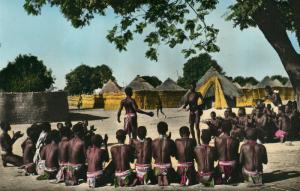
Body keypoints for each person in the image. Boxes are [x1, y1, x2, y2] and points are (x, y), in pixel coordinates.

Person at [152, 122, 178, 186]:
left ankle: (160, 176)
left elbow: (154, 156)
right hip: (168, 168)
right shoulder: (170, 141)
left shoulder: (154, 142)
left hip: (157, 168)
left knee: (157, 169)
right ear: (167, 129)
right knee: (177, 178)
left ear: (158, 130)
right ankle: (165, 176)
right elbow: (173, 155)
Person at [215, 120, 240, 184]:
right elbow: (235, 154)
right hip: (233, 165)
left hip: (221, 165)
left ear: (222, 129)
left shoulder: (217, 140)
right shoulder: (236, 140)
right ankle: (231, 175)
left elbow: (217, 154)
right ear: (231, 128)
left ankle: (223, 175)